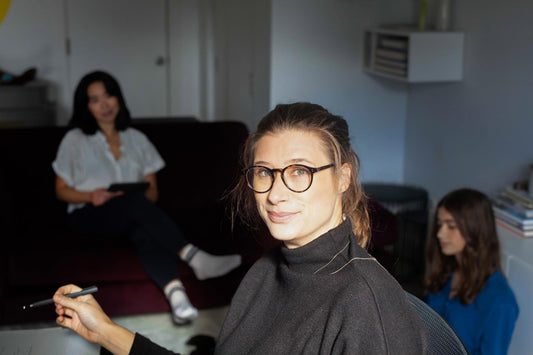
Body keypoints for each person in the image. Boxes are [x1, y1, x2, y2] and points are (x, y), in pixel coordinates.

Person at [53, 102, 429, 354]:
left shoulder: (364, 304)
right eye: (264, 172)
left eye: (299, 171)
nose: (276, 194)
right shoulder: (267, 270)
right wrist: (103, 330)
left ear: (343, 177)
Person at [52, 70, 242, 325]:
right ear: (86, 106)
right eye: (95, 99)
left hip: (130, 216)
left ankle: (178, 299)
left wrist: (130, 200)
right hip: (88, 216)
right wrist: (91, 195)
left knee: (143, 227)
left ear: (118, 98)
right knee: (132, 204)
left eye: (108, 96)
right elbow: (60, 190)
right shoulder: (74, 140)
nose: (104, 104)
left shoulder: (137, 139)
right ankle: (193, 256)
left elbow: (152, 192)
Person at [425, 188, 519, 355]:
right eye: (440, 225)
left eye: (451, 226)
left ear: (475, 231)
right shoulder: (445, 273)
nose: (440, 233)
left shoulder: (500, 301)